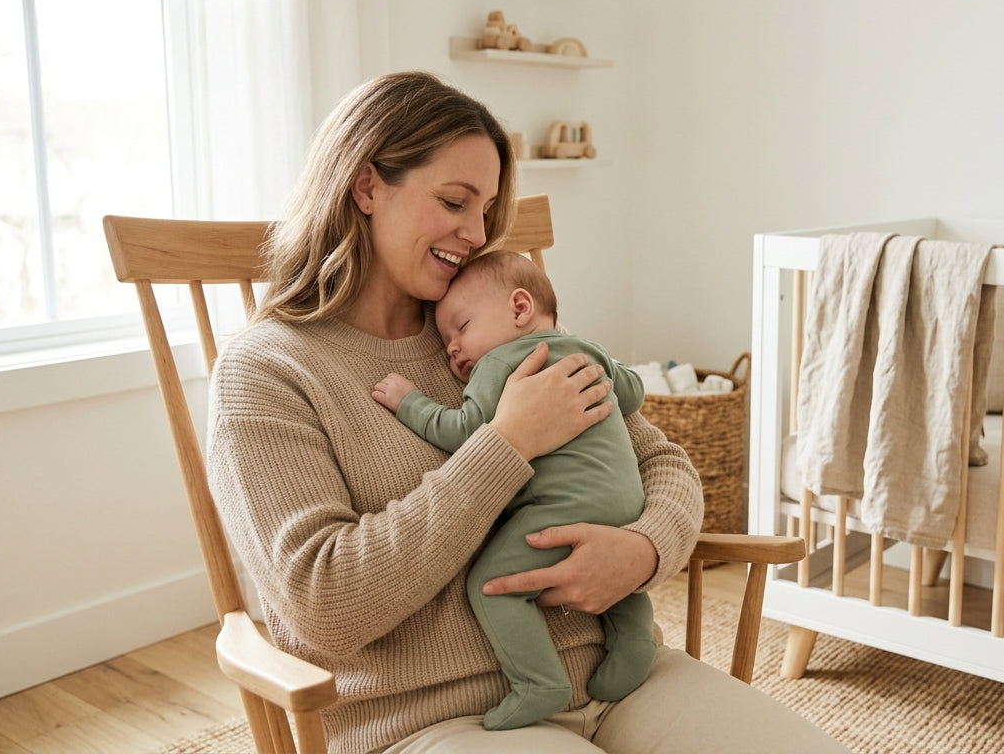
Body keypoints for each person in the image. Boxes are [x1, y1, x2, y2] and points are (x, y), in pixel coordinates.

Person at [206, 70, 852, 754]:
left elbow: (661, 460)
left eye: (485, 208)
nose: (475, 232)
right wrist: (507, 442)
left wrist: (642, 550)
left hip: (618, 677)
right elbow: (324, 603)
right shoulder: (268, 370)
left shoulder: (486, 328)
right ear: (366, 187)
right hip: (435, 719)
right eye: (454, 201)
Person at [371, 250, 656, 731]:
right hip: (628, 502)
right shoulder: (584, 349)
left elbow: (466, 433)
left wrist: (410, 402)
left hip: (559, 507)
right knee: (603, 560)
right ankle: (634, 643)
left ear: (520, 308)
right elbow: (631, 395)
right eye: (445, 340)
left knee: (493, 586)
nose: (452, 348)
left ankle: (537, 682)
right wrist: (602, 362)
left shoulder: (499, 365)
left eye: (460, 327)